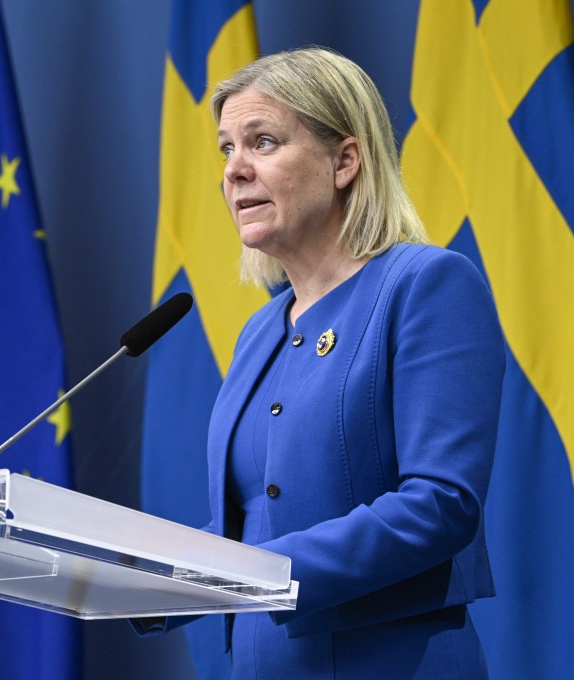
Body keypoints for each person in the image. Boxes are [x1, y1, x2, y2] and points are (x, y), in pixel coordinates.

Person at [138, 48, 505, 678]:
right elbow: (256, 523)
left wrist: (265, 572)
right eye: (226, 149)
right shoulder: (260, 331)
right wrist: (130, 578)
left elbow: (441, 503)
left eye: (263, 142)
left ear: (345, 161)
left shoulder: (426, 286)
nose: (235, 171)